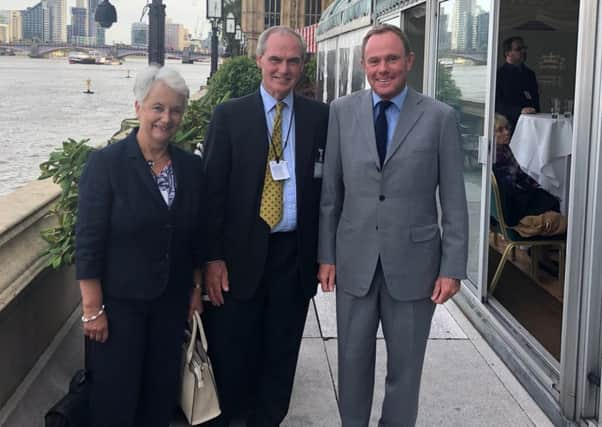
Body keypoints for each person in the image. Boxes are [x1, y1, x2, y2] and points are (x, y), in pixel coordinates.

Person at [317, 24, 469, 427]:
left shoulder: (439, 118)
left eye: (391, 59)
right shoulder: (341, 112)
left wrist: (452, 267)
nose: (383, 68)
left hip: (415, 266)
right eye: (374, 60)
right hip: (354, 261)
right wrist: (326, 255)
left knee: (405, 369)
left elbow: (454, 199)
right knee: (351, 363)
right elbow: (331, 194)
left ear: (409, 62)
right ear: (364, 64)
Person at [202, 26, 329, 426]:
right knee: (232, 352)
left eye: (293, 61)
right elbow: (211, 195)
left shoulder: (320, 117)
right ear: (259, 60)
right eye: (275, 59)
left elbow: (330, 193)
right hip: (238, 258)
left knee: (281, 354)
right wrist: (212, 258)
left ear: (302, 65)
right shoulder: (229, 116)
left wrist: (327, 255)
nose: (283, 69)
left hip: (294, 256)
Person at [75, 65, 205, 427]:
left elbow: (195, 235)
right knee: (115, 399)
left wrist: (194, 288)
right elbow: (88, 240)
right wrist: (92, 309)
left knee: (159, 397)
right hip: (118, 311)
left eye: (176, 110)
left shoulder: (190, 168)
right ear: (138, 108)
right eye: (158, 108)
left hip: (169, 305)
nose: (167, 118)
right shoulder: (107, 164)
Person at [493, 113, 560, 227]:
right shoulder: (496, 158)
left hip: (511, 201)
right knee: (552, 203)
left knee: (547, 197)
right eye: (500, 130)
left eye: (507, 128)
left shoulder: (504, 150)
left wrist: (536, 187)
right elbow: (510, 188)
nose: (506, 132)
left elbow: (519, 175)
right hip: (511, 208)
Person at [495, 36, 540, 129]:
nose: (523, 51)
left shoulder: (530, 74)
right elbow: (496, 105)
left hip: (531, 125)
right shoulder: (499, 75)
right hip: (508, 126)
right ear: (507, 53)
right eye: (519, 49)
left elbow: (536, 102)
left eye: (524, 48)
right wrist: (519, 110)